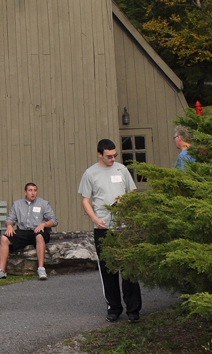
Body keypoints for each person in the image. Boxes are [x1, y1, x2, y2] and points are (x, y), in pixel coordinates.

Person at [79, 138, 142, 323]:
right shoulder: (90, 173)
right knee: (108, 270)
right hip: (103, 227)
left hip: (124, 227)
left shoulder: (122, 170)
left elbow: (132, 193)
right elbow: (85, 200)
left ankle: (134, 310)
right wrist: (95, 219)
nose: (112, 159)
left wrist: (126, 203)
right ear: (100, 154)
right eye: (108, 156)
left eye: (114, 155)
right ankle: (114, 308)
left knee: (129, 268)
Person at [0, 182, 57, 281]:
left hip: (38, 230)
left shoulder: (43, 203)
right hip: (23, 231)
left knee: (39, 236)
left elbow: (54, 220)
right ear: (25, 192)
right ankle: (1, 271)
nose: (33, 193)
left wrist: (43, 224)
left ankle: (41, 269)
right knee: (4, 238)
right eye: (30, 190)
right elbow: (10, 219)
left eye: (35, 190)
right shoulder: (17, 204)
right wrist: (9, 226)